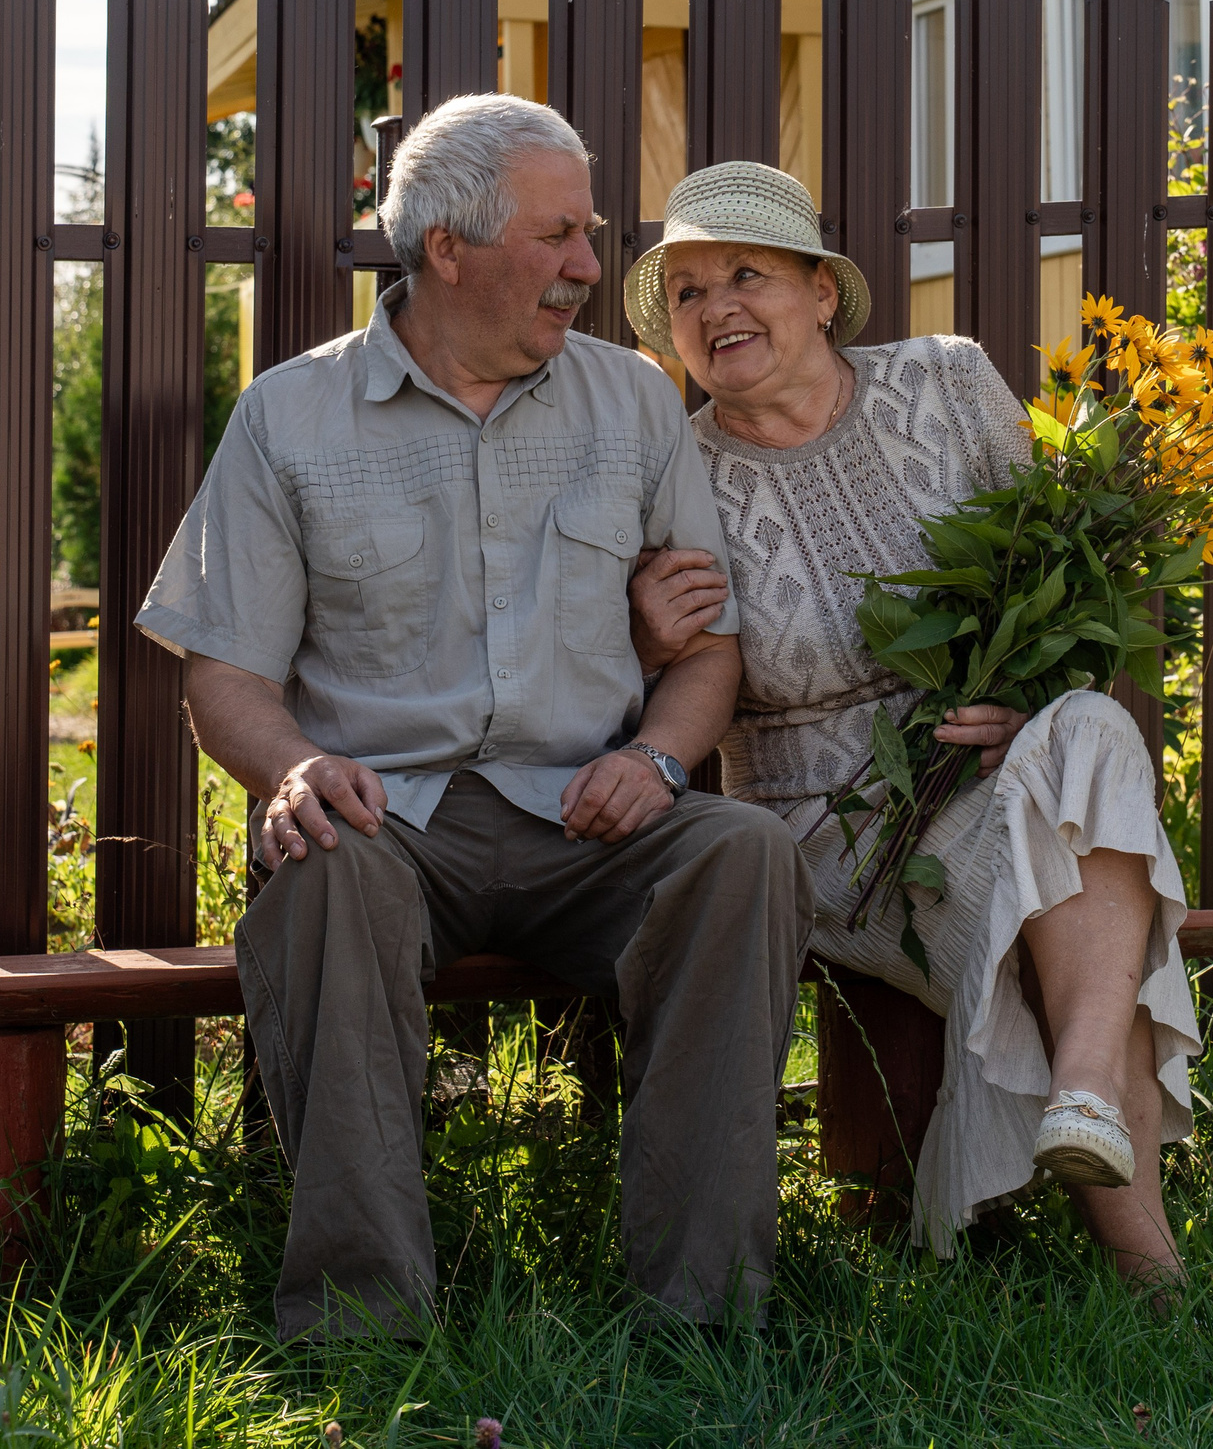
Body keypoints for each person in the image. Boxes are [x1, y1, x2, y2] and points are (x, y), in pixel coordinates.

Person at [133, 95, 809, 1340]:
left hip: (592, 817)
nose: (589, 269)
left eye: (588, 235)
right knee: (323, 866)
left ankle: (706, 1320)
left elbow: (707, 649)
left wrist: (661, 759)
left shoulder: (636, 405)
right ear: (449, 248)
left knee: (743, 851)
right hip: (393, 823)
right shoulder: (291, 417)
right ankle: (359, 1324)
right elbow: (222, 669)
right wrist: (294, 768)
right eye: (558, 237)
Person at [621, 160, 1200, 1288]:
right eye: (686, 293)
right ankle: (1154, 1281)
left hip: (1002, 774)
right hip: (828, 829)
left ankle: (1082, 1097)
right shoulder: (674, 474)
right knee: (1080, 902)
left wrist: (1029, 694)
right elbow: (648, 690)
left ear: (821, 291)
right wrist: (644, 640)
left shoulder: (947, 382)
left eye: (747, 274)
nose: (716, 307)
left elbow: (1060, 587)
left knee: (1086, 724)